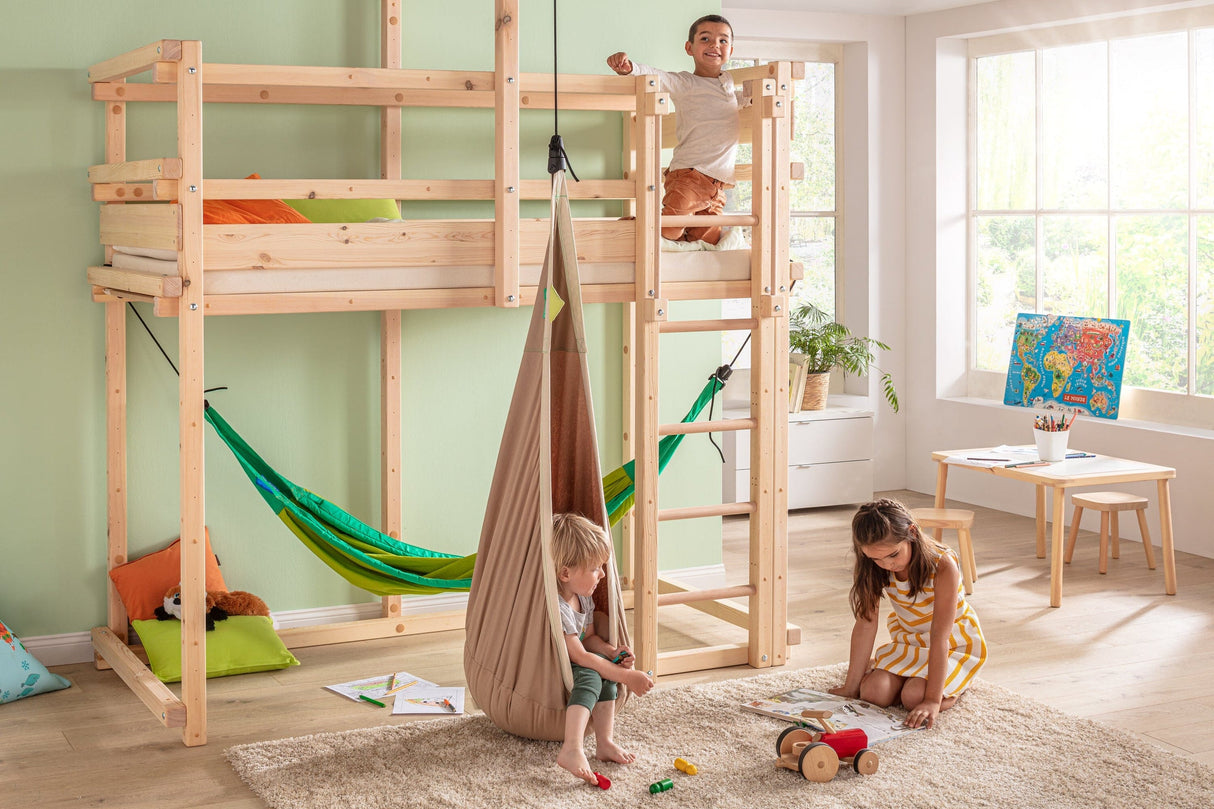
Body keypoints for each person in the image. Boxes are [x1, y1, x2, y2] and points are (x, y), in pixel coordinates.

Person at [829, 498, 987, 730]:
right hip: (910, 640)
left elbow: (939, 636)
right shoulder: (872, 565)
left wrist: (933, 700)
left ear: (912, 532)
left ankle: (956, 689)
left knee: (914, 697)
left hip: (952, 644)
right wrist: (851, 687)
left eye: (893, 555)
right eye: (875, 558)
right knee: (873, 693)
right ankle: (906, 678)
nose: (886, 565)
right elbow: (866, 624)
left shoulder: (943, 565)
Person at [606, 14, 750, 245]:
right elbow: (657, 77)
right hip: (689, 176)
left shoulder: (728, 84)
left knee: (707, 239)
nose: (715, 45)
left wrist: (750, 99)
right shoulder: (686, 84)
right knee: (669, 230)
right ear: (689, 47)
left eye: (723, 41)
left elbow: (730, 103)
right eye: (705, 38)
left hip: (718, 185)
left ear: (731, 50)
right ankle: (634, 227)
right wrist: (629, 67)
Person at [552, 512, 654, 784]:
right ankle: (571, 747)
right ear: (566, 573)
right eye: (595, 567)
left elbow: (589, 638)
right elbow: (579, 656)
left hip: (581, 655)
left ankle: (604, 742)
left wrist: (611, 652)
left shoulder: (583, 599)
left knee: (604, 673)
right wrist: (627, 677)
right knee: (590, 676)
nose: (603, 573)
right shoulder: (558, 609)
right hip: (553, 665)